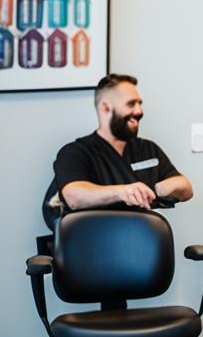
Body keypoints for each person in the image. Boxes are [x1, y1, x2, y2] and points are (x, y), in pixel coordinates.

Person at [46, 73, 193, 225]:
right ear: (105, 107)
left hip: (141, 240)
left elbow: (186, 188)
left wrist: (161, 189)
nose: (139, 111)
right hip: (92, 243)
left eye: (139, 104)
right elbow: (74, 197)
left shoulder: (148, 149)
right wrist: (123, 192)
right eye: (131, 104)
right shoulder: (75, 152)